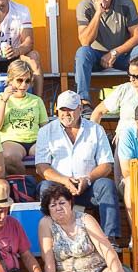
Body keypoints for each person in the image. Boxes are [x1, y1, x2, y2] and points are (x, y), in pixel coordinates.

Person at [34, 91, 120, 241]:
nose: (66, 114)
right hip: (59, 187)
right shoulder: (45, 131)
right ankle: (49, 238)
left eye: (71, 109)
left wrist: (87, 179)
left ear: (80, 108)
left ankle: (110, 239)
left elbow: (106, 165)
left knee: (106, 185)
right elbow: (41, 167)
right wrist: (64, 180)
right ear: (56, 110)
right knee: (45, 187)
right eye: (62, 109)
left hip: (88, 186)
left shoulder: (96, 129)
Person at [74, 0, 138, 106]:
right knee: (82, 52)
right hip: (97, 57)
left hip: (122, 55)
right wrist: (98, 13)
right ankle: (84, 101)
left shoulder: (126, 3)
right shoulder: (85, 6)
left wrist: (114, 52)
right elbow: (85, 41)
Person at [0, 60, 48, 174]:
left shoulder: (36, 100)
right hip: (11, 141)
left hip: (35, 140)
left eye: (27, 81)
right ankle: (26, 184)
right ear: (10, 80)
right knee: (8, 157)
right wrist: (4, 101)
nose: (24, 85)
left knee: (51, 153)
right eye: (19, 80)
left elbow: (45, 128)